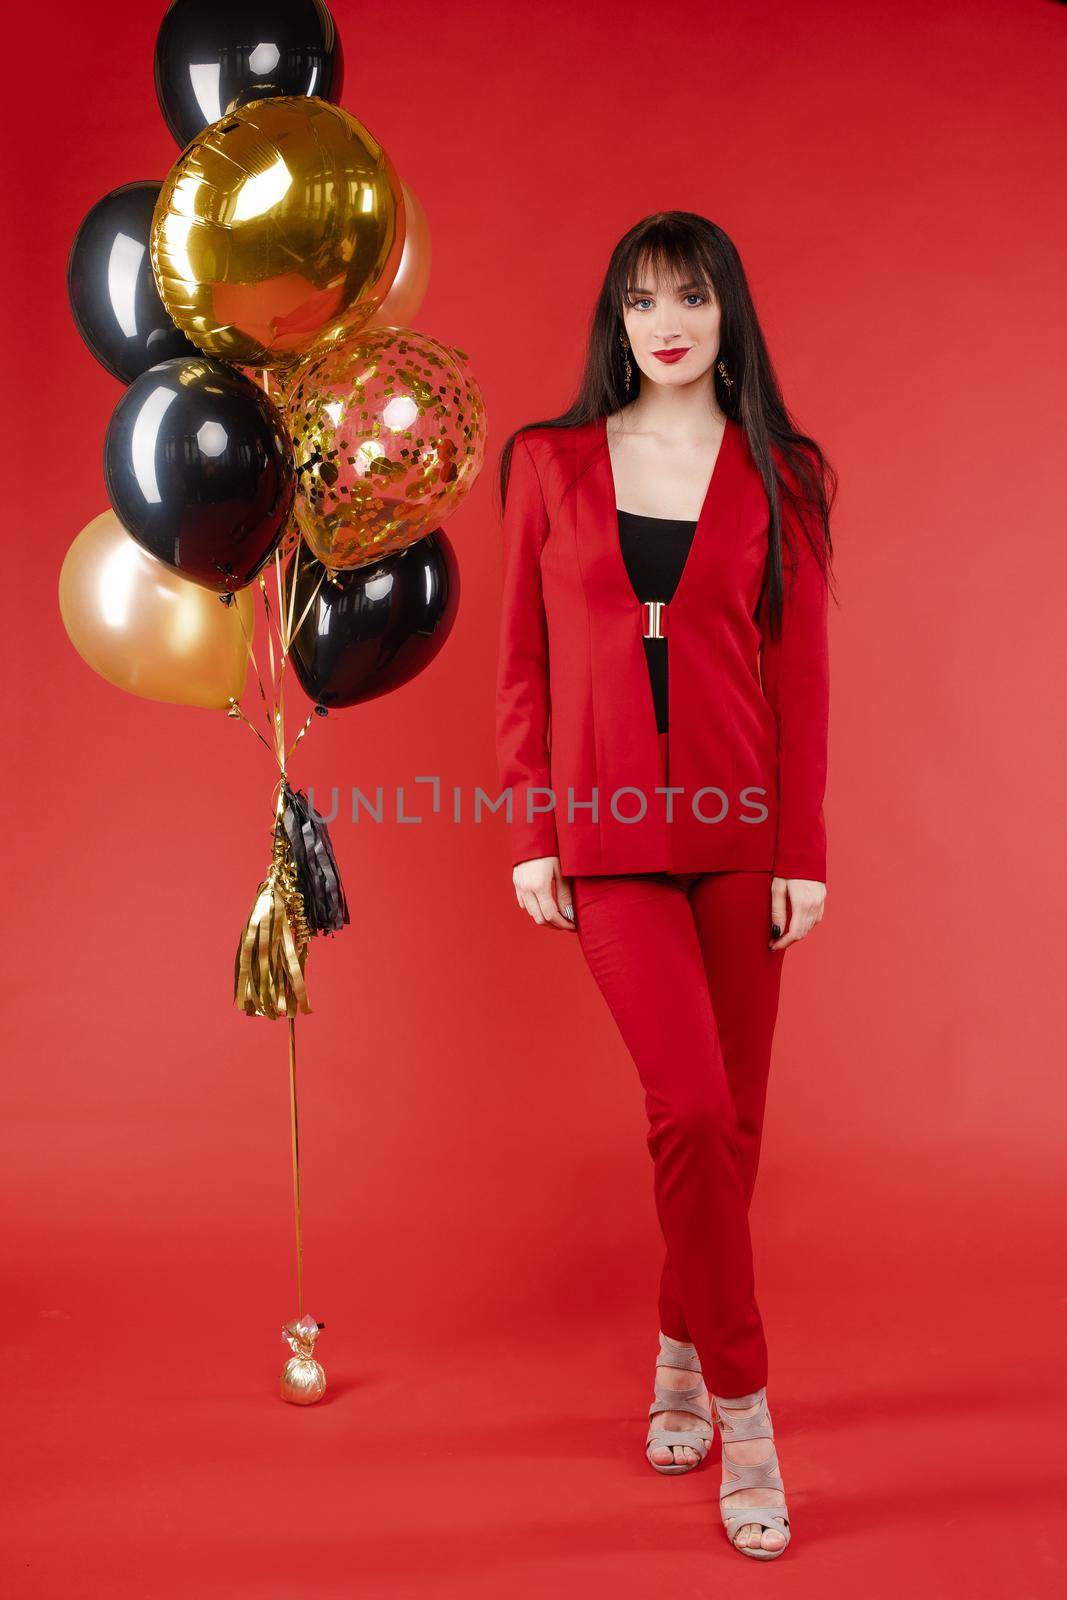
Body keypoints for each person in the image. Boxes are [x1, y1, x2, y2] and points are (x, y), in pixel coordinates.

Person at [494, 211, 836, 1561]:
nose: (665, 320)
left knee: (732, 1134)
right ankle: (750, 1410)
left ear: (727, 311)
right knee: (689, 1107)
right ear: (615, 323)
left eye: (689, 295)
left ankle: (680, 1354)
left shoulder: (783, 475)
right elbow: (520, 662)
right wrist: (533, 830)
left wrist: (802, 853)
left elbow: (802, 685)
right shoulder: (548, 463)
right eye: (640, 300)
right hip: (608, 836)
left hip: (743, 834)